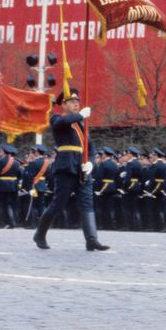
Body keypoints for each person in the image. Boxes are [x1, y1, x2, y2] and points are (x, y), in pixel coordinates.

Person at [32, 90, 109, 252]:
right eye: (72, 101)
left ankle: (92, 240)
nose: (76, 103)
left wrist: (90, 163)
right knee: (58, 204)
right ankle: (40, 234)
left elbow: (91, 149)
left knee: (87, 203)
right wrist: (80, 115)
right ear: (63, 104)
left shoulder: (82, 125)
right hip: (66, 166)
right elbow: (62, 123)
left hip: (82, 167)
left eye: (77, 101)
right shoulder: (57, 119)